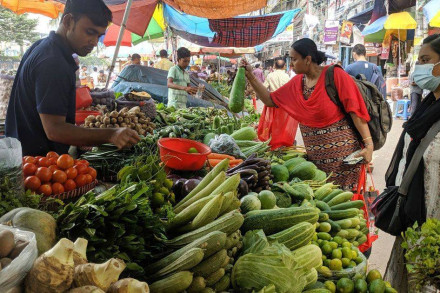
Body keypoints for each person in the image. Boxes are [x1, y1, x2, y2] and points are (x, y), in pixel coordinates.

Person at [5, 0, 140, 156]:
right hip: (36, 163)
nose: (95, 42)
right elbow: (55, 130)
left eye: (99, 35)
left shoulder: (41, 46)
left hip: (22, 154)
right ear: (68, 21)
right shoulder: (54, 62)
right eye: (90, 32)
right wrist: (111, 134)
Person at [242, 38, 373, 190]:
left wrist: (369, 145)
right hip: (316, 164)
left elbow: (356, 111)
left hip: (345, 161)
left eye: (294, 59)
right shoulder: (298, 82)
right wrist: (250, 76)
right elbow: (270, 100)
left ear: (308, 59)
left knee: (345, 204)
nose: (290, 64)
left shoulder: (335, 75)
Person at [384, 34, 440, 293]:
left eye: (426, 60)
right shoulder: (429, 105)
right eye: (419, 61)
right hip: (416, 218)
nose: (420, 68)